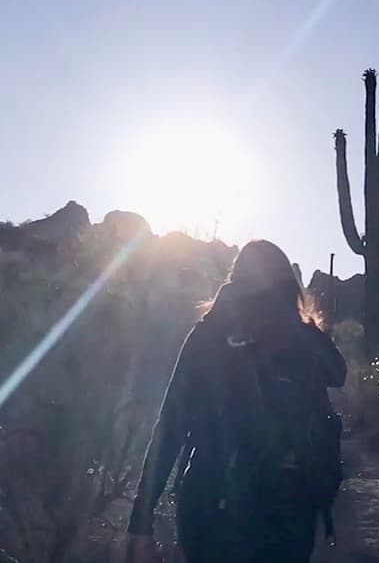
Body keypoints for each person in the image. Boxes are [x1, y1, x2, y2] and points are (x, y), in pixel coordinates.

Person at [124, 239, 348, 563]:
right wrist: (302, 326)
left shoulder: (209, 334)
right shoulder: (304, 339)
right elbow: (337, 372)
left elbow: (170, 427)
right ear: (288, 283)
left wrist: (140, 523)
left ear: (236, 280)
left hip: (212, 504)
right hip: (288, 507)